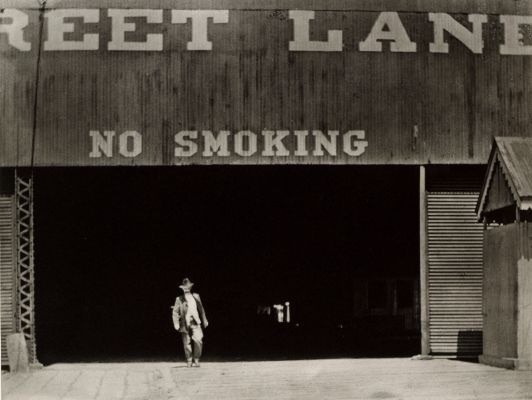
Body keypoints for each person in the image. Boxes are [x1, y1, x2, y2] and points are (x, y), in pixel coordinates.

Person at [172, 278, 209, 367]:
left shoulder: (196, 296)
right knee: (186, 342)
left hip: (196, 322)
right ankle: (189, 360)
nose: (186, 289)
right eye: (185, 288)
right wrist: (176, 323)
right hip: (185, 323)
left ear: (190, 288)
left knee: (198, 340)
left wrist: (204, 320)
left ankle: (196, 358)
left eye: (188, 287)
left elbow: (201, 309)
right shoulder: (179, 299)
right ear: (182, 289)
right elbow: (175, 312)